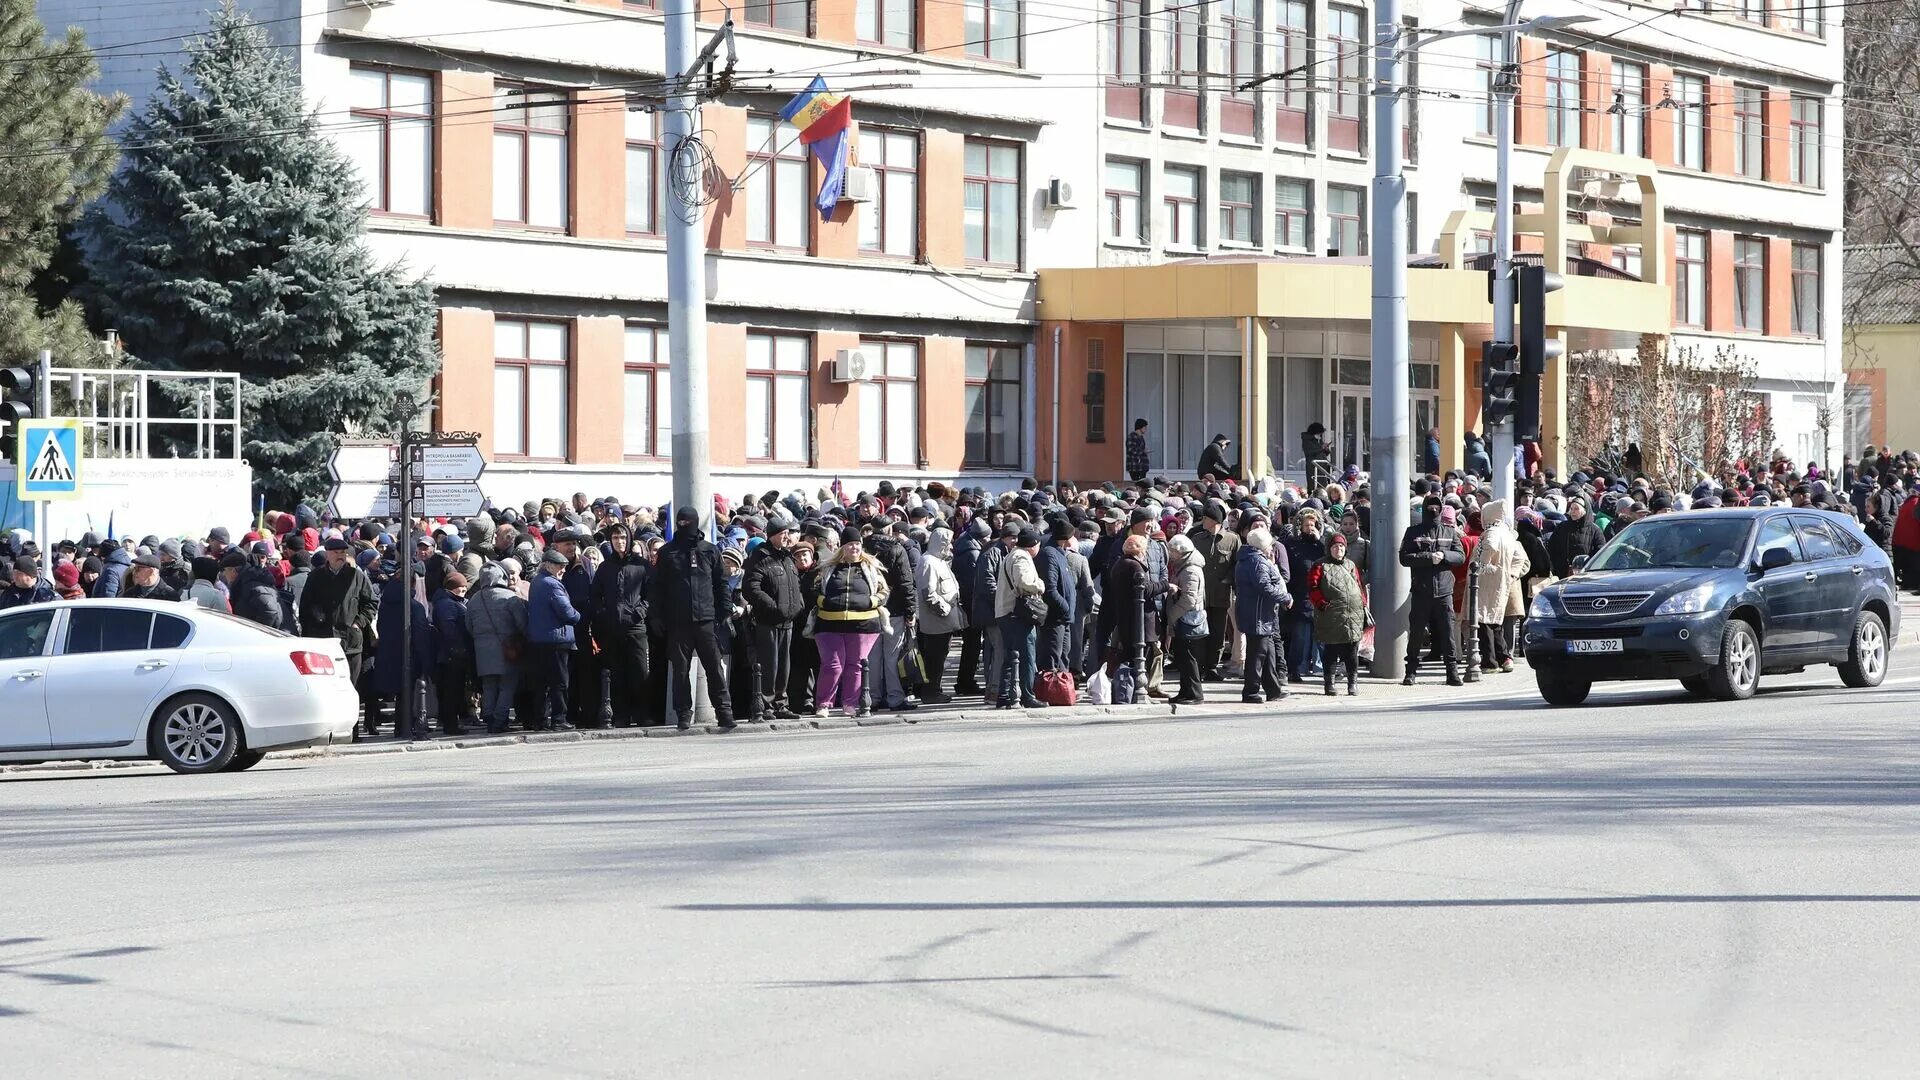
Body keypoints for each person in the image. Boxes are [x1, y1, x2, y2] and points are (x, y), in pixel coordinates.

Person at [650, 505, 737, 731]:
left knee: (715, 669)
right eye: (680, 522)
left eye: (687, 522)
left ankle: (724, 712)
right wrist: (656, 616)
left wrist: (725, 612)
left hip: (707, 620)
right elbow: (657, 588)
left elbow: (721, 584)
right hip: (678, 622)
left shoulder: (710, 550)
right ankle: (683, 714)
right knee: (680, 670)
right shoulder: (668, 553)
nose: (684, 526)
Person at [813, 527, 889, 718]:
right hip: (829, 623)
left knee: (854, 666)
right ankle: (823, 703)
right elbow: (814, 589)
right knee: (832, 665)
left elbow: (884, 592)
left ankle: (850, 704)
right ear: (842, 546)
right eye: (850, 544)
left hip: (863, 624)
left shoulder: (871, 568)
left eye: (857, 544)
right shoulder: (829, 568)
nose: (854, 548)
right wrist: (823, 601)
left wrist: (870, 602)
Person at [591, 522, 655, 727]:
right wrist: (603, 614)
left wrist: (640, 612)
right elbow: (595, 595)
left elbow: (650, 594)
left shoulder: (641, 565)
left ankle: (643, 714)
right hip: (612, 628)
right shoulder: (605, 567)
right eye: (616, 538)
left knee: (640, 672)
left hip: (635, 627)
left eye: (623, 538)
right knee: (617, 673)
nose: (620, 542)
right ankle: (622, 715)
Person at [741, 516, 806, 720]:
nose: (787, 538)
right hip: (768, 621)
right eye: (783, 534)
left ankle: (780, 703)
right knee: (769, 665)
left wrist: (799, 604)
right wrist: (773, 607)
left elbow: (795, 586)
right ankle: (766, 704)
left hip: (788, 621)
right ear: (774, 536)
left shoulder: (787, 557)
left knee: (784, 666)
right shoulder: (760, 557)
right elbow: (751, 588)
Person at [1399, 494, 1466, 685]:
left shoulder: (1449, 532)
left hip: (1444, 591)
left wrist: (1443, 555)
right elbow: (1404, 557)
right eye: (1431, 506)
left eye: (1437, 506)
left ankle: (1452, 672)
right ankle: (1410, 671)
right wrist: (1429, 557)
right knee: (1417, 633)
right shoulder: (1413, 532)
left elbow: (1459, 556)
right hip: (1421, 590)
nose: (1434, 509)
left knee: (1448, 634)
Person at [300, 538, 378, 688]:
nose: (340, 555)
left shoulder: (356, 576)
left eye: (343, 552)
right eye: (336, 552)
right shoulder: (316, 577)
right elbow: (305, 607)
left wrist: (358, 622)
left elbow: (371, 602)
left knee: (350, 686)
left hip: (350, 642)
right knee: (327, 687)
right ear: (327, 554)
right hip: (323, 642)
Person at [862, 518, 919, 712]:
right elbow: (905, 583)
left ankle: (873, 697)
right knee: (892, 655)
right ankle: (895, 696)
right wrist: (910, 610)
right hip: (893, 609)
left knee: (873, 656)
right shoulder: (897, 548)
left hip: (869, 608)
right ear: (889, 529)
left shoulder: (863, 547)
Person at [468, 562, 529, 734]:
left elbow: (469, 626)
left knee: (489, 687)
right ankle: (500, 720)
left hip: (482, 651)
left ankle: (488, 717)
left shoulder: (474, 599)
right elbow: (522, 623)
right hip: (507, 648)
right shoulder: (510, 597)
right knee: (507, 686)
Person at [528, 547, 583, 731]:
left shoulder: (537, 581)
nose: (563, 570)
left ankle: (539, 719)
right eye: (560, 566)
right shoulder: (552, 584)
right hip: (556, 641)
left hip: (539, 640)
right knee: (559, 682)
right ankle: (559, 719)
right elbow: (567, 612)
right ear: (549, 566)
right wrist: (579, 616)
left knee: (541, 683)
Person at [1470, 499, 1528, 674]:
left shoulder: (1492, 532)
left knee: (1484, 620)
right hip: (1501, 581)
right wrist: (1511, 574)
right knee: (1495, 621)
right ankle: (1504, 657)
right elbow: (1521, 558)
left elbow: (1489, 546)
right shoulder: (1508, 534)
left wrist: (1482, 564)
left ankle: (1489, 662)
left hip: (1486, 581)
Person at [994, 527, 1048, 709]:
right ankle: (1027, 695)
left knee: (1010, 656)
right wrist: (1040, 585)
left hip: (1005, 612)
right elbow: (1024, 581)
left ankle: (1004, 696)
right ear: (1033, 545)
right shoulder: (1022, 557)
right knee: (1027, 655)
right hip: (1017, 614)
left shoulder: (1011, 555)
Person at [1235, 528, 1289, 703]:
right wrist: (1285, 598)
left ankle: (1273, 689)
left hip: (1259, 615)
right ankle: (1250, 691)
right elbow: (1264, 586)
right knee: (1257, 656)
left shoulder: (1248, 559)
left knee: (1268, 654)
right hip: (1258, 616)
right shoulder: (1257, 561)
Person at [1309, 531, 1366, 696]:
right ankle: (1330, 684)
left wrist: (1362, 603)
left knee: (1351, 652)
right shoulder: (1320, 565)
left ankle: (1352, 683)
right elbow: (1313, 588)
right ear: (1329, 548)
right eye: (1335, 546)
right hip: (1330, 615)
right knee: (1331, 651)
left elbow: (1358, 585)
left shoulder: (1350, 565)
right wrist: (1321, 604)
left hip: (1353, 615)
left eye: (1341, 546)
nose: (1338, 549)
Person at [915, 525, 963, 703]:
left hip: (945, 621)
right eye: (948, 543)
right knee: (935, 658)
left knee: (940, 657)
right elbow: (928, 593)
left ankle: (935, 688)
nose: (951, 547)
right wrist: (944, 610)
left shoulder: (939, 561)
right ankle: (931, 692)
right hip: (937, 621)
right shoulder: (928, 562)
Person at [430, 571, 476, 736]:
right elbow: (449, 630)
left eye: (464, 589)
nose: (463, 592)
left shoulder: (450, 602)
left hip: (451, 654)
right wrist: (461, 647)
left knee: (451, 691)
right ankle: (451, 725)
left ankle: (450, 722)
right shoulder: (447, 604)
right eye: (460, 589)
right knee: (451, 691)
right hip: (452, 655)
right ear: (451, 588)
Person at [1165, 532, 1208, 704]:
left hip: (1188, 620)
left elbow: (1189, 598)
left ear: (1180, 552)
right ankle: (1185, 691)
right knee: (1183, 659)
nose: (1170, 554)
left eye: (1172, 551)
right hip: (1183, 619)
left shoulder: (1190, 569)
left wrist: (1172, 614)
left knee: (1189, 659)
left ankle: (1195, 693)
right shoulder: (1183, 566)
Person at [1037, 518, 1077, 673]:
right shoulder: (1050, 554)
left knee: (1063, 656)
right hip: (1056, 617)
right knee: (1052, 657)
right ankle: (1049, 692)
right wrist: (1065, 607)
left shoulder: (1059, 553)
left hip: (1064, 617)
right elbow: (1050, 588)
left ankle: (1061, 691)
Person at [1546, 495, 1605, 578]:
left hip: (1586, 574)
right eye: (1571, 509)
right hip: (1562, 573)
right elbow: (1552, 548)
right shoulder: (1562, 527)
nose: (1573, 512)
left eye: (1576, 509)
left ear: (1584, 511)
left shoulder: (1595, 530)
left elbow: (1600, 553)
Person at [1302, 422, 1333, 487]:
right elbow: (1309, 452)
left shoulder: (1317, 440)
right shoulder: (1307, 441)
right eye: (1319, 433)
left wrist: (1326, 449)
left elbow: (1323, 452)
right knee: (1315, 485)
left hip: (1322, 466)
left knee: (1324, 485)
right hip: (1313, 467)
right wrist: (1322, 448)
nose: (1320, 435)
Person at [1126, 418, 1152, 484]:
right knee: (1138, 484)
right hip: (1135, 466)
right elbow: (1131, 449)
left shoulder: (1141, 437)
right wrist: (1143, 451)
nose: (1146, 429)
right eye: (1145, 427)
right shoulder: (1132, 436)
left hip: (1142, 466)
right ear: (1140, 427)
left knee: (1142, 484)